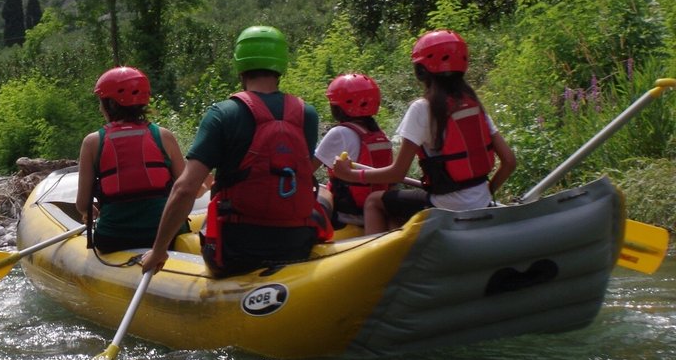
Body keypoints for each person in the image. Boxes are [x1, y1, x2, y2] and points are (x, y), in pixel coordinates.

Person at [139, 26, 327, 279]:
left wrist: (158, 250)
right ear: (281, 63)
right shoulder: (308, 114)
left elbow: (185, 188)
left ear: (240, 64)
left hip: (236, 252)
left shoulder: (223, 114)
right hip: (298, 244)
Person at [331, 30, 517, 233]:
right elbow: (509, 162)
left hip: (444, 206)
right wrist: (485, 194)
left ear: (421, 70)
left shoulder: (423, 108)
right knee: (395, 205)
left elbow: (397, 173)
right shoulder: (474, 105)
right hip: (481, 201)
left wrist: (351, 175)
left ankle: (372, 259)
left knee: (375, 201)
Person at [76, 66, 186, 252]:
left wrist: (88, 212)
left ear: (109, 104)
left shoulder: (92, 142)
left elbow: (82, 203)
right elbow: (185, 191)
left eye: (101, 101)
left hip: (114, 237)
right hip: (168, 235)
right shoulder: (164, 136)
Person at [314, 73, 393, 231]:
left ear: (338, 107)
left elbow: (307, 169)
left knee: (318, 188)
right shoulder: (379, 135)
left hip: (347, 214)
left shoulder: (339, 133)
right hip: (377, 210)